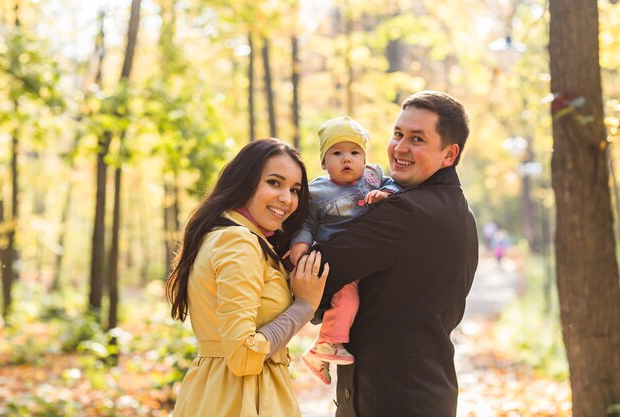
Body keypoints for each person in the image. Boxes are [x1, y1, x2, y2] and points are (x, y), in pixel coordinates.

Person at [313, 91, 479, 417]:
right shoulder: (462, 214)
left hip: (389, 398)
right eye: (398, 134)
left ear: (449, 154)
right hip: (430, 392)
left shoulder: (404, 212)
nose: (400, 147)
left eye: (417, 139)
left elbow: (319, 269)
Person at [166, 138, 329, 417]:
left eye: (295, 189)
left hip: (219, 393)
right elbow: (242, 355)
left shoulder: (234, 237)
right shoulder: (237, 241)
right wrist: (304, 306)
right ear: (244, 182)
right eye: (274, 183)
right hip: (240, 400)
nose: (287, 199)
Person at [284, 115, 400, 385]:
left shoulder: (374, 177)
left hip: (366, 256)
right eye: (337, 153)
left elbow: (394, 184)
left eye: (354, 153)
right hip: (337, 257)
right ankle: (326, 345)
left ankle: (320, 354)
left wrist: (387, 194)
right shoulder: (317, 191)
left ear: (364, 158)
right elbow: (307, 222)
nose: (347, 159)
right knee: (347, 298)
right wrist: (299, 245)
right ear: (324, 162)